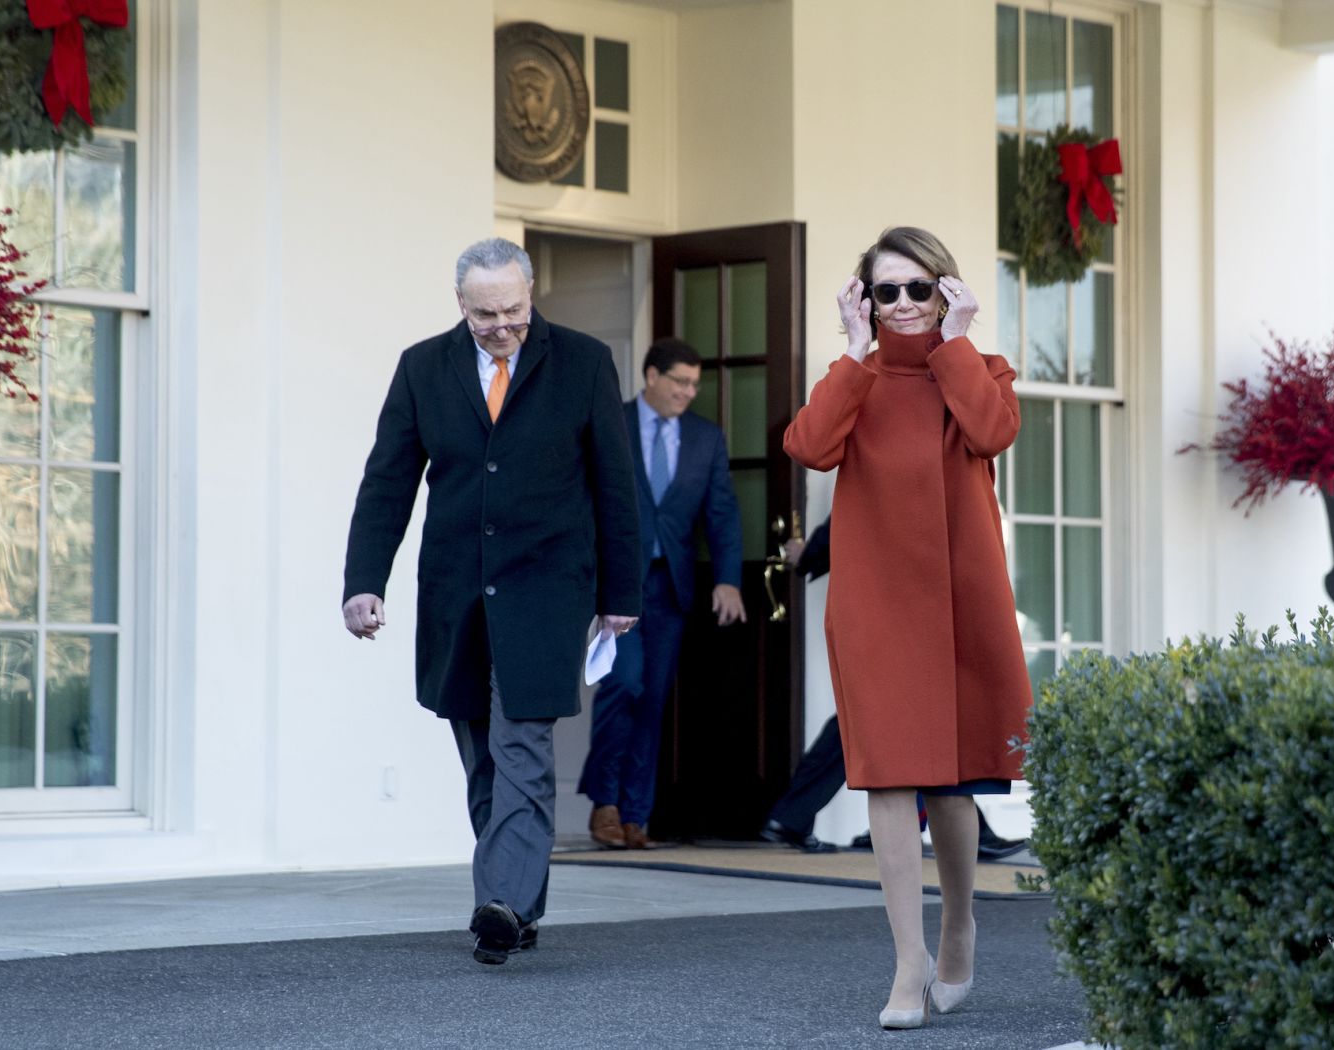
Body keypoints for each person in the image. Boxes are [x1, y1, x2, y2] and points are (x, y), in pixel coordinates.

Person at [342, 238, 641, 966]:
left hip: (548, 588)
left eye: (512, 310)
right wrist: (363, 582)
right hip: (457, 591)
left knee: (523, 744)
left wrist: (621, 592)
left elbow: (616, 483)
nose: (501, 325)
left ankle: (501, 903)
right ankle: (517, 903)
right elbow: (388, 481)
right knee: (480, 753)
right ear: (460, 305)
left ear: (530, 295)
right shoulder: (422, 367)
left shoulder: (582, 362)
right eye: (485, 314)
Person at [783, 227, 1032, 1029]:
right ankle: (907, 962)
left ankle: (958, 923)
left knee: (953, 780)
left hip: (961, 601)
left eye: (917, 289)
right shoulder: (851, 378)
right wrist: (855, 353)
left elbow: (992, 433)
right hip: (877, 602)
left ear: (947, 292)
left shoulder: (979, 370)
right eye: (884, 291)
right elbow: (810, 446)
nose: (902, 305)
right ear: (864, 300)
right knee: (887, 776)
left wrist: (955, 345)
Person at [760, 518, 1029, 861]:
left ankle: (797, 817)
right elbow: (860, 507)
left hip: (898, 599)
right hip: (894, 603)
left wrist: (810, 553)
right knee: (898, 717)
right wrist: (811, 551)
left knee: (884, 719)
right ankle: (936, 830)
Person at [579, 337, 746, 850]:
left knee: (651, 699)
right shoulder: (611, 422)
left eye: (695, 384)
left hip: (670, 586)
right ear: (651, 376)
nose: (688, 392)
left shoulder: (705, 439)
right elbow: (586, 496)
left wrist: (728, 578)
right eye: (679, 381)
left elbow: (722, 514)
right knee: (623, 684)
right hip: (617, 583)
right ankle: (603, 803)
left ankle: (636, 816)